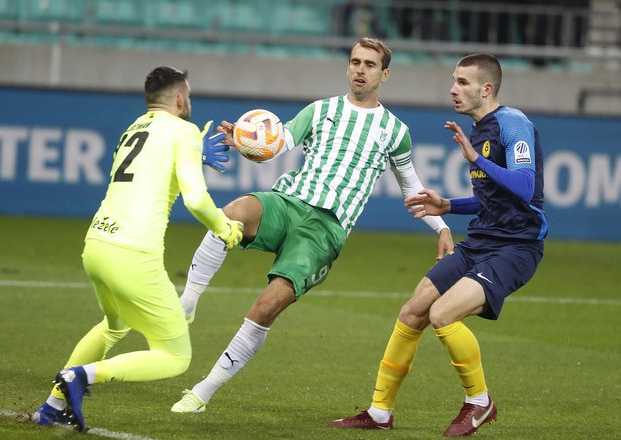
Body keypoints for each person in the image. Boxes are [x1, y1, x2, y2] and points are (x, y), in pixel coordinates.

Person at [170, 37, 453, 414]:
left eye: (369, 64)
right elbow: (277, 143)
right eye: (355, 62)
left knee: (267, 306)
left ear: (384, 74)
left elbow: (412, 188)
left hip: (325, 230)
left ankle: (203, 391)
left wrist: (443, 228)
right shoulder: (320, 110)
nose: (359, 69)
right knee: (233, 212)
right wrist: (244, 140)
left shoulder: (394, 131)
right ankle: (187, 303)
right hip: (289, 202)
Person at [329, 53, 547, 436]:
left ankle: (480, 403)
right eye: (453, 80)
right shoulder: (477, 129)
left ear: (487, 89)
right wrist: (448, 205)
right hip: (481, 239)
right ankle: (380, 411)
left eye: (463, 82)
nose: (453, 89)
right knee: (413, 310)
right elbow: (492, 198)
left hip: (515, 247)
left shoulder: (514, 125)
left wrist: (476, 156)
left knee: (442, 314)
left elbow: (525, 189)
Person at [29, 66, 243, 432]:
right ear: (179, 99)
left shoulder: (134, 128)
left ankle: (52, 406)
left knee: (114, 326)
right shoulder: (183, 130)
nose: (189, 102)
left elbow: (150, 170)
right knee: (176, 356)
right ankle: (82, 377)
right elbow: (195, 199)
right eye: (188, 96)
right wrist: (224, 227)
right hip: (133, 254)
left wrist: (194, 156)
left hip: (97, 243)